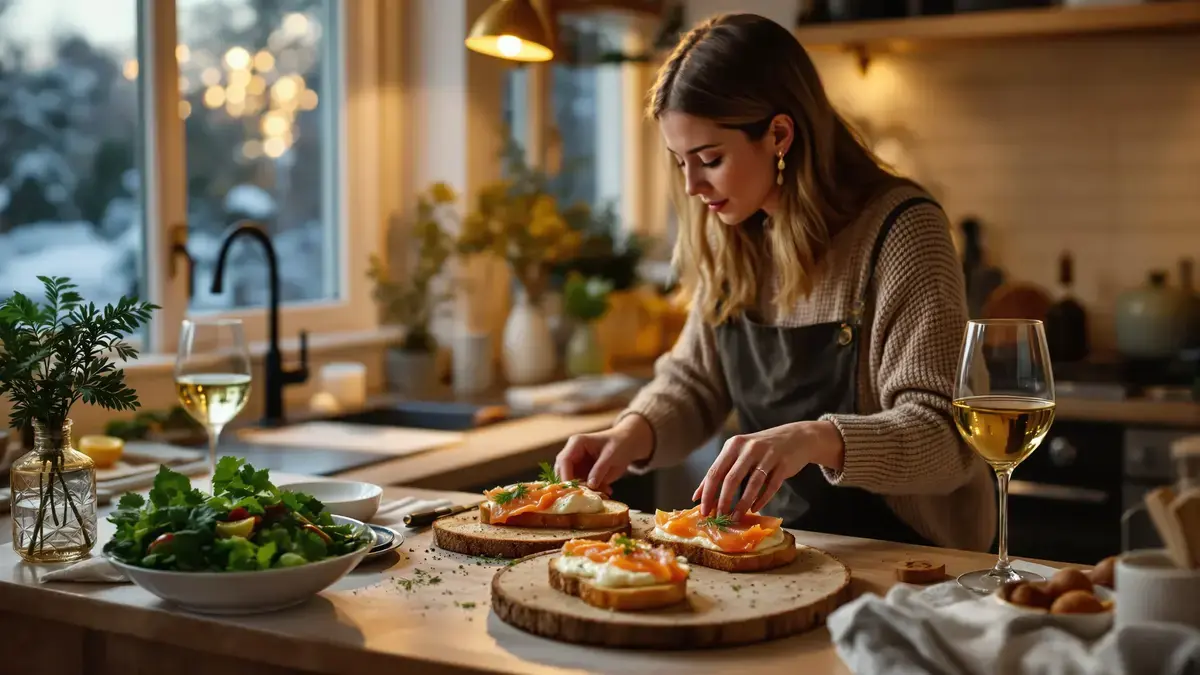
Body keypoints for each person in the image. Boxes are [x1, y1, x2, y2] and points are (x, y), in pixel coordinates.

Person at [553, 13, 995, 552]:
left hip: (907, 560)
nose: (692, 186)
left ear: (779, 134)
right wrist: (628, 435)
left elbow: (948, 438)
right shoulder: (731, 229)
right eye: (680, 162)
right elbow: (694, 384)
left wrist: (814, 438)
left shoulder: (902, 232)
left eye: (710, 159)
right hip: (787, 548)